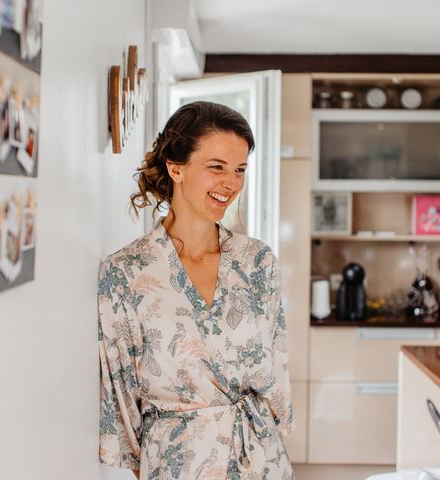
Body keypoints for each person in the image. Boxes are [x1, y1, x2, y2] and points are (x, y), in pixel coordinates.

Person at [98, 101, 295, 479]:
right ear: (176, 168)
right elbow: (121, 397)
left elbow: (277, 371)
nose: (231, 183)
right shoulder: (126, 272)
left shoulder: (257, 262)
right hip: (177, 463)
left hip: (260, 460)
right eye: (216, 167)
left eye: (239, 170)